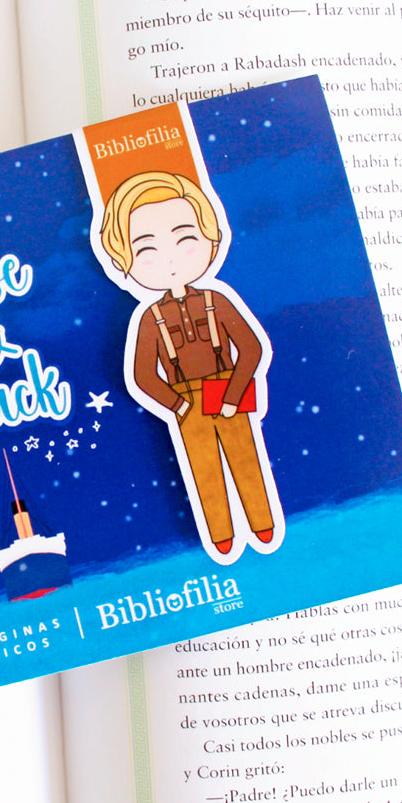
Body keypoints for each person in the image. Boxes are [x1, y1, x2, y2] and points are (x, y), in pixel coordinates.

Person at [100, 171, 281, 559]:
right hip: (186, 403)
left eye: (185, 240)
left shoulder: (217, 300)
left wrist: (233, 393)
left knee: (246, 458)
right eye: (146, 249)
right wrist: (179, 406)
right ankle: (220, 534)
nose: (169, 259)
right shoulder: (149, 318)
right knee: (203, 469)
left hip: (229, 389)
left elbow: (251, 349)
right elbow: (142, 375)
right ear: (125, 258)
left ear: (209, 238)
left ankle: (263, 523)